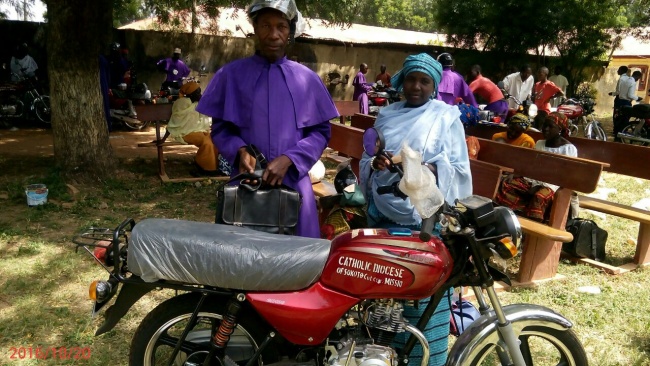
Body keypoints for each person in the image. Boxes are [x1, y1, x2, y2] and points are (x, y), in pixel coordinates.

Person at [360, 53, 472, 366]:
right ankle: (377, 356)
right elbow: (367, 156)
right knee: (383, 290)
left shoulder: (446, 116)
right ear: (401, 80)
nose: (416, 86)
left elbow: (458, 168)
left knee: (420, 294)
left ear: (434, 86)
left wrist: (425, 168)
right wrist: (377, 162)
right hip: (382, 217)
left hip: (423, 222)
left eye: (424, 81)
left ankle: (424, 358)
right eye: (411, 78)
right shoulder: (387, 114)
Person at [196, 0, 338, 238]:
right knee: (242, 258)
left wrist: (290, 159)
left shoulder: (307, 79)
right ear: (255, 28)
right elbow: (220, 129)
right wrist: (239, 151)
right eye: (265, 26)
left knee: (296, 262)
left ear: (290, 31)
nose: (273, 34)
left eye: (281, 26)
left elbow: (320, 133)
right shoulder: (232, 75)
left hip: (294, 183)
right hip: (247, 183)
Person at [495, 112, 578, 221]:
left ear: (560, 129)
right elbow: (531, 165)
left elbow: (564, 176)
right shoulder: (540, 144)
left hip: (553, 185)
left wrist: (540, 186)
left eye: (550, 127)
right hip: (533, 179)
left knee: (539, 197)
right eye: (544, 125)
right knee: (506, 184)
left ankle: (534, 225)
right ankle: (510, 217)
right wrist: (516, 174)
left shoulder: (568, 149)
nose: (546, 129)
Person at [159, 81, 230, 177]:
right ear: (190, 94)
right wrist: (163, 139)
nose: (199, 94)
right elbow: (174, 122)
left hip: (199, 131)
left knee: (214, 140)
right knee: (206, 142)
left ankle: (214, 166)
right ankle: (206, 169)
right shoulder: (182, 103)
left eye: (199, 92)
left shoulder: (197, 103)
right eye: (197, 92)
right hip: (184, 132)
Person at [614, 70, 644, 142]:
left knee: (619, 120)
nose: (638, 80)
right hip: (626, 102)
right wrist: (637, 98)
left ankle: (617, 136)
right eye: (638, 78)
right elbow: (630, 95)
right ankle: (621, 136)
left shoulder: (624, 80)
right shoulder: (632, 83)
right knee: (625, 121)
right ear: (637, 76)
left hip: (619, 101)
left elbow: (619, 91)